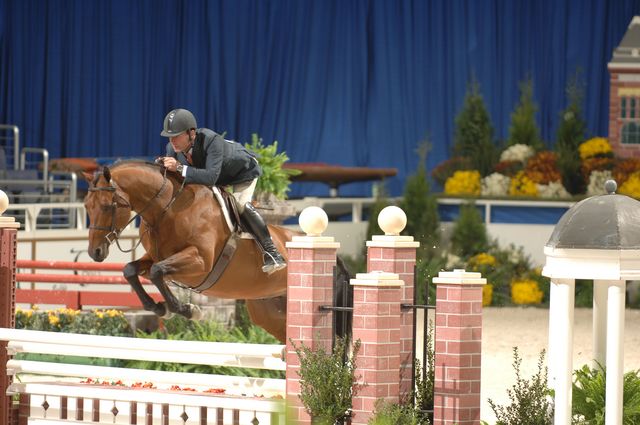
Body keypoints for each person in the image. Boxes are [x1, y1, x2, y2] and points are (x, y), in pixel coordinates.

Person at [158, 108, 286, 274]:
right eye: (169, 136)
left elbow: (210, 177)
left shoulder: (212, 141)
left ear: (191, 133)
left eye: (176, 135)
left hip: (242, 172)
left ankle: (272, 252)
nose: (172, 140)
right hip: (217, 176)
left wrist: (180, 168)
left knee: (240, 205)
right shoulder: (171, 149)